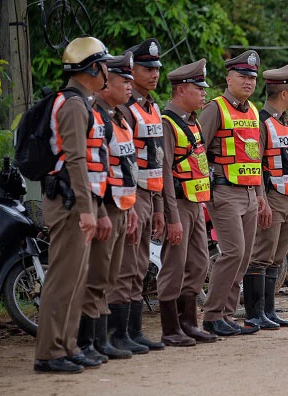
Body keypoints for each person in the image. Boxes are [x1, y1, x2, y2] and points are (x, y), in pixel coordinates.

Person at [34, 36, 112, 374]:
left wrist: (94, 207)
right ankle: (50, 352)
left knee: (75, 280)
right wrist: (85, 209)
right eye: (105, 64)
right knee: (63, 280)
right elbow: (76, 161)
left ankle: (65, 346)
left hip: (77, 201)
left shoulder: (81, 102)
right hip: (69, 203)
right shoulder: (73, 105)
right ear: (92, 68)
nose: (108, 70)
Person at [199, 50, 267, 336]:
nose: (248, 81)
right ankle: (212, 315)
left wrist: (261, 195)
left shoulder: (253, 111)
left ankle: (226, 315)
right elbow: (197, 149)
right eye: (242, 76)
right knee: (233, 252)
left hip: (251, 193)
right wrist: (204, 189)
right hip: (224, 191)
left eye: (252, 77)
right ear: (228, 78)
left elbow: (256, 158)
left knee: (244, 256)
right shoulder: (215, 108)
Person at [79, 52, 139, 362]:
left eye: (130, 80)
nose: (130, 86)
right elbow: (95, 170)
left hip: (121, 207)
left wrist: (129, 210)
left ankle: (100, 340)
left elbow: (124, 168)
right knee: (97, 276)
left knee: (110, 277)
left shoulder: (119, 117)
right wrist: (102, 210)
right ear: (105, 84)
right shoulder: (96, 117)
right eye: (123, 80)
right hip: (104, 208)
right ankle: (88, 342)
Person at [107, 38, 165, 352]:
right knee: (126, 266)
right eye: (145, 68)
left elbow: (155, 162)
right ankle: (118, 334)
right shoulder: (125, 110)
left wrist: (157, 207)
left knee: (140, 265)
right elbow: (123, 162)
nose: (153, 73)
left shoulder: (152, 107)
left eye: (156, 68)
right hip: (129, 194)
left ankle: (133, 330)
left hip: (148, 194)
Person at [158, 58, 218, 346]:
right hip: (178, 204)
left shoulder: (193, 122)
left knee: (198, 263)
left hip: (196, 203)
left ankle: (188, 322)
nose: (204, 93)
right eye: (199, 88)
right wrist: (171, 217)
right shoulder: (167, 123)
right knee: (174, 265)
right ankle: (170, 328)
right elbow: (165, 173)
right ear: (182, 90)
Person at [244, 61, 288, 329]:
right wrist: (261, 199)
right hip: (271, 197)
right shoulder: (261, 123)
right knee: (261, 256)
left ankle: (269, 311)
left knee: (277, 258)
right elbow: (255, 163)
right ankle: (254, 314)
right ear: (284, 92)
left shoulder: (287, 123)